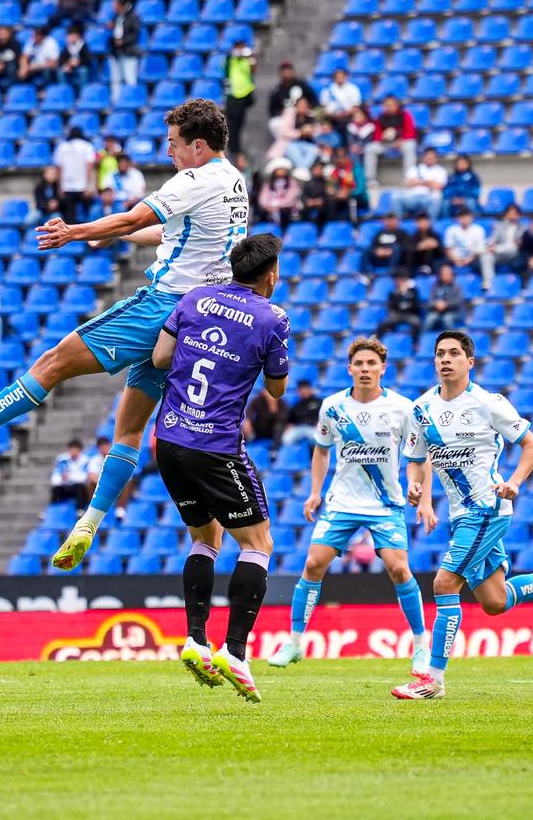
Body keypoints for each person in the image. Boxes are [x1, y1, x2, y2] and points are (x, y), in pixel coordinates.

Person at [0, 100, 249, 575]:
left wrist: (76, 230)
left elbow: (135, 217)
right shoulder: (233, 181)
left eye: (173, 143)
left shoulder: (195, 178)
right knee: (130, 429)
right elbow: (171, 235)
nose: (168, 151)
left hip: (163, 306)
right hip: (200, 320)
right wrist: (112, 236)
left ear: (197, 145)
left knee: (55, 360)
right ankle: (89, 521)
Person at [392, 331, 533, 700]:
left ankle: (432, 681)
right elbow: (414, 461)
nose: (445, 359)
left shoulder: (488, 403)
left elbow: (531, 445)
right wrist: (414, 487)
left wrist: (516, 482)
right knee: (494, 602)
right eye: (440, 353)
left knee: (444, 585)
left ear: (469, 362)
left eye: (454, 354)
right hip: (461, 515)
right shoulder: (421, 410)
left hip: (486, 509)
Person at [150, 234, 289, 700]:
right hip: (216, 447)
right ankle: (234, 651)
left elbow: (160, 357)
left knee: (204, 537)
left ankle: (195, 639)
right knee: (258, 543)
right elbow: (276, 390)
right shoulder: (271, 318)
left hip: (168, 439)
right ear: (270, 274)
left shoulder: (195, 297)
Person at [267, 336, 431, 675]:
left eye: (372, 364)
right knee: (313, 564)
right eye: (360, 364)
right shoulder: (333, 407)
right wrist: (315, 492)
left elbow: (418, 456)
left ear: (383, 369)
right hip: (342, 501)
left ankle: (420, 646)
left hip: (386, 503)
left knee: (399, 570)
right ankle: (295, 642)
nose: (366, 369)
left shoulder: (402, 408)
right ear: (350, 369)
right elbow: (321, 450)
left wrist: (420, 493)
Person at [367, 97, 419, 187]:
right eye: (386, 106)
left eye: (390, 105)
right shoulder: (381, 117)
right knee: (370, 148)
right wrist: (383, 138)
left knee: (410, 145)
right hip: (386, 144)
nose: (388, 108)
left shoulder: (404, 115)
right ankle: (370, 180)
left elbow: (411, 132)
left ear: (396, 105)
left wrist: (401, 140)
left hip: (401, 143)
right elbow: (376, 135)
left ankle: (408, 178)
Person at [53, 127, 97, 223]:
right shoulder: (87, 146)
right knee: (88, 216)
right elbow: (90, 167)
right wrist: (89, 186)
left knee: (69, 218)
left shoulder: (62, 147)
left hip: (67, 187)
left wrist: (60, 186)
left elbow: (59, 168)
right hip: (83, 187)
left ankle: (71, 237)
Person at [444, 205, 494, 288]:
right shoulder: (452, 230)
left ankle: (489, 283)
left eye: (466, 216)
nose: (464, 219)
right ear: (457, 218)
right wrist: (456, 260)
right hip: (455, 259)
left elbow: (480, 249)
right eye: (461, 216)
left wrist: (469, 259)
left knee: (486, 256)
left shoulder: (478, 229)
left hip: (474, 259)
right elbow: (448, 248)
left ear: (471, 217)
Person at [223, 39, 256, 158]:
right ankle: (233, 148)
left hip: (244, 93)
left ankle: (236, 148)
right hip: (233, 94)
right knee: (232, 123)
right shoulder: (230, 59)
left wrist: (249, 57)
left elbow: (253, 71)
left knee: (240, 122)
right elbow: (225, 69)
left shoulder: (248, 59)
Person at [395, 147, 448, 219]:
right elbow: (408, 183)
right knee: (396, 197)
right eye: (428, 157)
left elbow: (439, 186)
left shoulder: (441, 171)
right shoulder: (414, 168)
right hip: (412, 197)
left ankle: (430, 224)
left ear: (436, 158)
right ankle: (399, 222)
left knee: (437, 199)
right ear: (424, 157)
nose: (429, 159)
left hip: (429, 197)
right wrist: (428, 182)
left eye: (432, 158)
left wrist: (418, 182)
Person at [108, 0, 140, 102]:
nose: (113, 6)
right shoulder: (115, 16)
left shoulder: (133, 16)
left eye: (115, 4)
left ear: (121, 5)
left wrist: (123, 41)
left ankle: (132, 100)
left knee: (129, 77)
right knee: (116, 78)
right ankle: (116, 100)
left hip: (129, 51)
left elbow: (135, 34)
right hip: (116, 52)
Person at [377, 270, 423, 341]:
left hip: (410, 314)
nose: (400, 282)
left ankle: (416, 343)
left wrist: (407, 295)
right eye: (398, 280)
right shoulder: (393, 293)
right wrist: (400, 294)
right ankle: (377, 341)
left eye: (402, 280)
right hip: (397, 315)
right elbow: (392, 306)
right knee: (383, 324)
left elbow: (416, 306)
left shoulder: (413, 291)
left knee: (417, 323)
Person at [423, 263, 465, 332]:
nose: (446, 276)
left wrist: (446, 304)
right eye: (444, 274)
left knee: (447, 318)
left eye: (449, 274)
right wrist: (436, 304)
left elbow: (458, 302)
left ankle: (452, 338)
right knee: (430, 318)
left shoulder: (457, 287)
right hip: (437, 311)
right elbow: (430, 301)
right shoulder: (435, 286)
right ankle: (422, 340)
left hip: (453, 312)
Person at [280, 380, 323, 446]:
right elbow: (291, 419)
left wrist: (320, 422)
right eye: (301, 389)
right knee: (286, 439)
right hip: (298, 428)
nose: (303, 391)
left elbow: (325, 415)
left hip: (313, 427)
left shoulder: (319, 402)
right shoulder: (296, 405)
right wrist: (290, 424)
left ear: (310, 389)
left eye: (305, 389)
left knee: (319, 440)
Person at [50, 439, 90, 507]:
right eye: (72, 449)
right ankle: (54, 510)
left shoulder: (85, 460)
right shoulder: (62, 460)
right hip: (65, 486)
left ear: (80, 450)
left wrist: (69, 477)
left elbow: (83, 478)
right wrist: (62, 478)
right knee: (56, 489)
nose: (74, 452)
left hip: (79, 488)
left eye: (76, 450)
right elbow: (54, 479)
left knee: (79, 488)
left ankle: (80, 510)